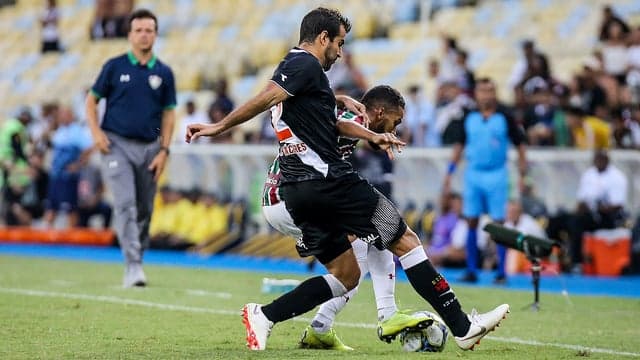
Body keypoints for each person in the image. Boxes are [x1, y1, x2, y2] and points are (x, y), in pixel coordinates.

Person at [186, 7, 509, 351]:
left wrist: (345, 109)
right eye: (339, 43)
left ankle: (266, 315)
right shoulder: (304, 63)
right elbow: (275, 99)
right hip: (323, 182)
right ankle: (457, 325)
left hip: (298, 193)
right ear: (323, 38)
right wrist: (219, 127)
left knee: (348, 273)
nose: (340, 51)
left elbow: (329, 118)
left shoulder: (310, 80)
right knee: (402, 237)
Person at [262, 85, 423, 351]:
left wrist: (341, 100)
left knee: (362, 253)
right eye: (397, 121)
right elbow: (344, 125)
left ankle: (321, 326)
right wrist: (372, 133)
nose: (395, 128)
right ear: (380, 112)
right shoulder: (356, 117)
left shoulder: (328, 110)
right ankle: (386, 314)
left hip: (285, 197)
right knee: (378, 237)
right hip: (293, 197)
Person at [85, 9, 176, 288]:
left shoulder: (164, 72)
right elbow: (91, 101)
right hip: (117, 146)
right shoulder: (113, 67)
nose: (144, 34)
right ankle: (133, 265)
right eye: (138, 30)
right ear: (129, 35)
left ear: (155, 34)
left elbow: (169, 114)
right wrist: (96, 133)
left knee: (144, 209)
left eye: (149, 30)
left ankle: (137, 257)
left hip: (150, 148)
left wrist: (164, 151)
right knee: (124, 204)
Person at [443, 78, 528, 284]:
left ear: (495, 93)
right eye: (482, 91)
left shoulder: (505, 116)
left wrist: (524, 176)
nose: (486, 95)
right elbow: (459, 146)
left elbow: (520, 145)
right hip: (474, 173)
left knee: (499, 223)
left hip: (498, 174)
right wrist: (449, 173)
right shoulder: (468, 116)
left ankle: (501, 272)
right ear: (477, 94)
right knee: (471, 220)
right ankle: (472, 270)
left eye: (490, 91)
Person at [568, 150, 628, 273]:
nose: (598, 162)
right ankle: (560, 259)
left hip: (609, 218)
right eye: (596, 159)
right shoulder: (589, 174)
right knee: (563, 220)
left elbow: (617, 205)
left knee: (578, 223)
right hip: (589, 215)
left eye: (601, 159)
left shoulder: (617, 177)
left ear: (607, 160)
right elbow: (581, 199)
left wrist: (595, 208)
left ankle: (577, 262)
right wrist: (581, 209)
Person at [43, 106, 94, 228]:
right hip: (56, 175)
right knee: (52, 206)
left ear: (71, 115)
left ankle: (72, 236)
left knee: (70, 208)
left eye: (64, 114)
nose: (61, 117)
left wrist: (78, 164)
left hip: (68, 177)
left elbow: (89, 148)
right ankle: (47, 236)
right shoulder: (60, 130)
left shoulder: (76, 131)